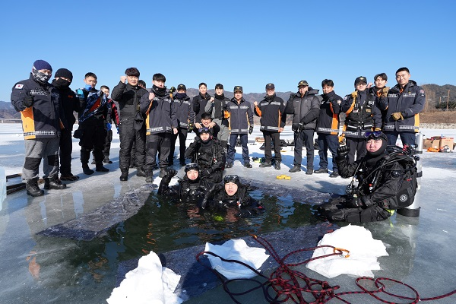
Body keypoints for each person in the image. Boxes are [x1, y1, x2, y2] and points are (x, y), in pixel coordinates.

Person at [320, 131, 418, 223]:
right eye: (369, 141)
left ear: (384, 143)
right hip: (364, 198)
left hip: (381, 207)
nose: (372, 145)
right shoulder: (366, 160)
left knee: (333, 215)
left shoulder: (393, 164)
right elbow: (346, 173)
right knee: (325, 207)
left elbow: (390, 189)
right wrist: (341, 158)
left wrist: (361, 202)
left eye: (376, 141)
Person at [11, 60, 66, 196]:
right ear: (34, 70)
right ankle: (31, 183)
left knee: (53, 157)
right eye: (43, 72)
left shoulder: (52, 89)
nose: (46, 75)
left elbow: (58, 110)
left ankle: (51, 179)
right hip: (35, 128)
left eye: (49, 72)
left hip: (53, 129)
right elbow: (17, 104)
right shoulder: (24, 85)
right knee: (33, 158)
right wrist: (25, 103)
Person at [111, 67, 149, 181]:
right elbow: (114, 96)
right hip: (126, 123)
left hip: (140, 122)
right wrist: (121, 83)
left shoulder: (143, 91)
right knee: (125, 148)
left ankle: (140, 169)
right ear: (127, 77)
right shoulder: (123, 89)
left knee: (141, 148)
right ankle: (124, 171)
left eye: (136, 77)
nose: (133, 79)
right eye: (131, 77)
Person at [140, 73, 178, 180]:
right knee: (151, 153)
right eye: (158, 81)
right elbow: (142, 110)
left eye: (162, 82)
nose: (160, 84)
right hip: (153, 130)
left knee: (165, 152)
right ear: (153, 82)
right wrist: (149, 100)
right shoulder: (148, 95)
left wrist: (174, 126)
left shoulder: (168, 97)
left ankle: (163, 170)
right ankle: (149, 173)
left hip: (166, 130)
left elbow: (173, 113)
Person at [74, 72, 109, 175]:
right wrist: (84, 93)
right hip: (85, 123)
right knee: (86, 146)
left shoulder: (100, 94)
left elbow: (106, 109)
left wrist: (107, 121)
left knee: (99, 146)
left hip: (98, 123)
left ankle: (99, 165)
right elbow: (78, 107)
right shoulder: (80, 92)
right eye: (90, 81)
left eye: (94, 81)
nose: (92, 83)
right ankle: (85, 166)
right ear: (85, 81)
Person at [341, 76, 382, 164]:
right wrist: (351, 100)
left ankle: (360, 170)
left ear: (365, 85)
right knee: (349, 153)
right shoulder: (349, 97)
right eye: (358, 84)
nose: (361, 86)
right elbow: (344, 109)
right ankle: (349, 170)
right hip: (351, 129)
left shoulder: (372, 98)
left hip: (366, 131)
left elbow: (377, 114)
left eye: (363, 84)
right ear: (355, 85)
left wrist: (378, 127)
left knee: (363, 153)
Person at [283, 80, 320, 174]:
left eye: (303, 87)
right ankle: (297, 165)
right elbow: (288, 111)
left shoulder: (313, 98)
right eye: (300, 87)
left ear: (307, 87)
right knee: (297, 147)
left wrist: (303, 122)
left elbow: (315, 112)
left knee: (309, 148)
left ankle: (309, 167)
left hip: (308, 127)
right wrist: (290, 100)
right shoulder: (296, 98)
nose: (301, 89)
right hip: (297, 127)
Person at [383, 67, 425, 147]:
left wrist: (402, 114)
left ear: (409, 75)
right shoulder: (391, 91)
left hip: (407, 126)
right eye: (398, 76)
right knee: (388, 152)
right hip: (390, 126)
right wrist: (383, 96)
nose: (401, 78)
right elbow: (384, 107)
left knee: (408, 153)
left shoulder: (417, 90)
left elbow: (419, 106)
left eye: (403, 75)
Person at [52, 68, 80, 182]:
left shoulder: (70, 93)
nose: (66, 81)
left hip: (67, 127)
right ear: (56, 77)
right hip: (52, 127)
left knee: (66, 151)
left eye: (68, 79)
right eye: (64, 78)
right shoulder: (50, 90)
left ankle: (66, 173)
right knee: (52, 153)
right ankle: (52, 177)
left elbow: (77, 108)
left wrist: (81, 99)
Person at [314, 79, 343, 178]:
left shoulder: (337, 98)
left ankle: (336, 169)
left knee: (334, 151)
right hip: (321, 129)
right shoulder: (321, 99)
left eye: (328, 87)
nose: (326, 89)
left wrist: (332, 99)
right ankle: (323, 166)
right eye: (324, 87)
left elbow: (336, 111)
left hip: (331, 130)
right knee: (322, 150)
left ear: (332, 87)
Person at [225, 86, 254, 168]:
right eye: (236, 93)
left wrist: (251, 125)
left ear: (242, 93)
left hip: (244, 129)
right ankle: (230, 161)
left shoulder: (247, 103)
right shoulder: (229, 104)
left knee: (245, 146)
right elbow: (226, 115)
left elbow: (250, 115)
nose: (238, 94)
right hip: (233, 129)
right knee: (231, 146)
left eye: (239, 93)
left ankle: (246, 161)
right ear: (234, 93)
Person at [169, 84, 194, 166]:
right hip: (174, 125)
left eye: (183, 90)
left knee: (182, 144)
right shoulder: (173, 99)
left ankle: (182, 159)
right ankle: (170, 159)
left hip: (184, 125)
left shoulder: (188, 101)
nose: (181, 92)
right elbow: (169, 109)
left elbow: (192, 113)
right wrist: (169, 93)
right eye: (180, 90)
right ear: (177, 90)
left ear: (185, 91)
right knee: (171, 143)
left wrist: (191, 123)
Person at [204, 83, 230, 151]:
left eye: (220, 89)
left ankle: (224, 157)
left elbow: (231, 111)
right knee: (216, 141)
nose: (219, 91)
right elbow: (206, 110)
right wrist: (210, 102)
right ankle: (216, 157)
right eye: (217, 89)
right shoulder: (212, 100)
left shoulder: (227, 100)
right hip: (215, 121)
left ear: (223, 90)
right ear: (215, 90)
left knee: (224, 141)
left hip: (225, 122)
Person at [99, 86, 119, 164]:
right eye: (104, 91)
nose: (106, 93)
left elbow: (115, 115)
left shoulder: (110, 102)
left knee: (107, 141)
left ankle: (106, 156)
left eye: (107, 92)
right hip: (98, 124)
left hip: (108, 124)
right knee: (98, 142)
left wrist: (117, 125)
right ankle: (96, 158)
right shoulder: (96, 101)